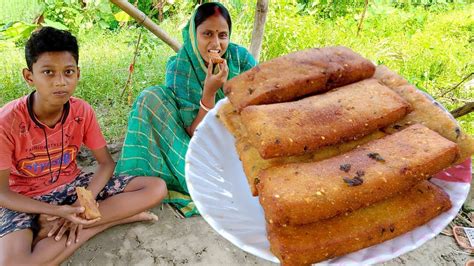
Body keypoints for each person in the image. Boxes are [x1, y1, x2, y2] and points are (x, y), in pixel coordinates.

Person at [0, 27, 167, 265]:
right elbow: (2, 193)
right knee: (12, 263)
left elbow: (105, 164)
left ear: (77, 73)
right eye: (48, 72)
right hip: (25, 198)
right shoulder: (7, 122)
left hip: (73, 186)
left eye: (68, 72)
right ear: (29, 76)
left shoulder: (81, 111)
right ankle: (106, 221)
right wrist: (57, 211)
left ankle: (76, 226)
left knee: (155, 188)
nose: (60, 82)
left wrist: (80, 204)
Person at [115, 2, 257, 217]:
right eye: (207, 34)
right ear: (193, 34)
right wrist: (209, 93)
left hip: (240, 140)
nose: (216, 43)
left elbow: (259, 109)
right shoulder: (180, 66)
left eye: (222, 35)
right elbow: (195, 133)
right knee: (151, 98)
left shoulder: (241, 58)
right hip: (193, 143)